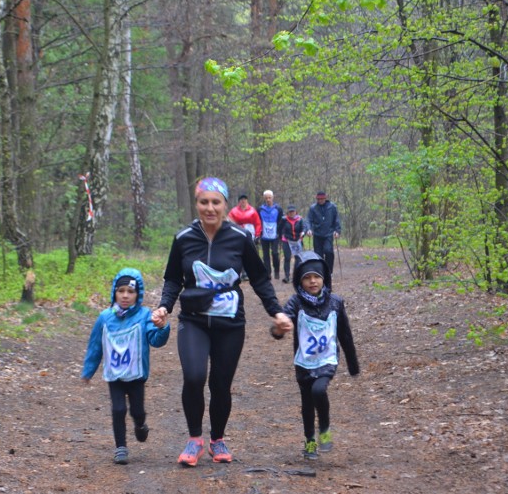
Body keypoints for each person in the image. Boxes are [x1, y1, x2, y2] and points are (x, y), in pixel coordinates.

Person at [151, 177, 293, 467]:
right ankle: (194, 439)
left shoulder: (240, 238)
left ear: (225, 205)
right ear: (197, 204)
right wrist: (164, 306)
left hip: (230, 324)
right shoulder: (183, 239)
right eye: (204, 202)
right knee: (193, 376)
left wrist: (275, 310)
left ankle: (217, 439)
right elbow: (173, 278)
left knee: (220, 383)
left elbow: (260, 278)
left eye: (216, 202)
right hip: (194, 319)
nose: (210, 208)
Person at [270, 251, 359, 460]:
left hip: (327, 359)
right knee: (307, 402)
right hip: (304, 362)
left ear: (324, 278)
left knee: (319, 390)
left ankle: (325, 429)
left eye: (317, 276)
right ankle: (309, 440)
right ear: (300, 281)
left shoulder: (335, 302)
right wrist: (278, 329)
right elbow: (281, 323)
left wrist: (353, 364)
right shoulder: (296, 303)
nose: (312, 281)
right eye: (307, 277)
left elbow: (345, 334)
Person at [82, 268, 171, 465]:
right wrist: (88, 371)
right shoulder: (105, 318)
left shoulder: (144, 316)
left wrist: (163, 327)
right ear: (114, 292)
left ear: (138, 294)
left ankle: (140, 425)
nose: (125, 295)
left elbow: (156, 341)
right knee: (118, 409)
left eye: (130, 292)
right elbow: (95, 345)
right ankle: (120, 447)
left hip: (136, 374)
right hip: (115, 375)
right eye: (121, 290)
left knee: (137, 411)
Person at [305, 191, 341, 277]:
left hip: (328, 233)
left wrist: (337, 230)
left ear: (325, 198)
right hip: (317, 234)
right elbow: (308, 220)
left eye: (322, 199)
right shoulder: (313, 208)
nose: (320, 200)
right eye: (318, 199)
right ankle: (320, 272)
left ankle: (329, 271)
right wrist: (309, 229)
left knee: (328, 251)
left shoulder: (332, 207)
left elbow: (336, 220)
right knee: (318, 255)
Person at [258, 190, 284, 280]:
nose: (268, 200)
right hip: (264, 235)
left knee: (275, 253)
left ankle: (276, 271)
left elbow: (281, 221)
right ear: (264, 198)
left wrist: (280, 233)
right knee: (265, 255)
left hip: (275, 235)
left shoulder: (278, 209)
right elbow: (258, 221)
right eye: (266, 198)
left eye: (269, 198)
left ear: (272, 198)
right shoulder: (260, 209)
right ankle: (267, 273)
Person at [279, 205, 305, 283]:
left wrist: (303, 232)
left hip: (297, 241)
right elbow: (279, 229)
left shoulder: (300, 219)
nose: (291, 213)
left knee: (298, 258)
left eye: (293, 211)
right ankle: (287, 276)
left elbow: (304, 227)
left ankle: (297, 275)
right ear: (288, 212)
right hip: (286, 240)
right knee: (287, 258)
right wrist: (281, 237)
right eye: (290, 212)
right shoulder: (284, 219)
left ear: (295, 212)